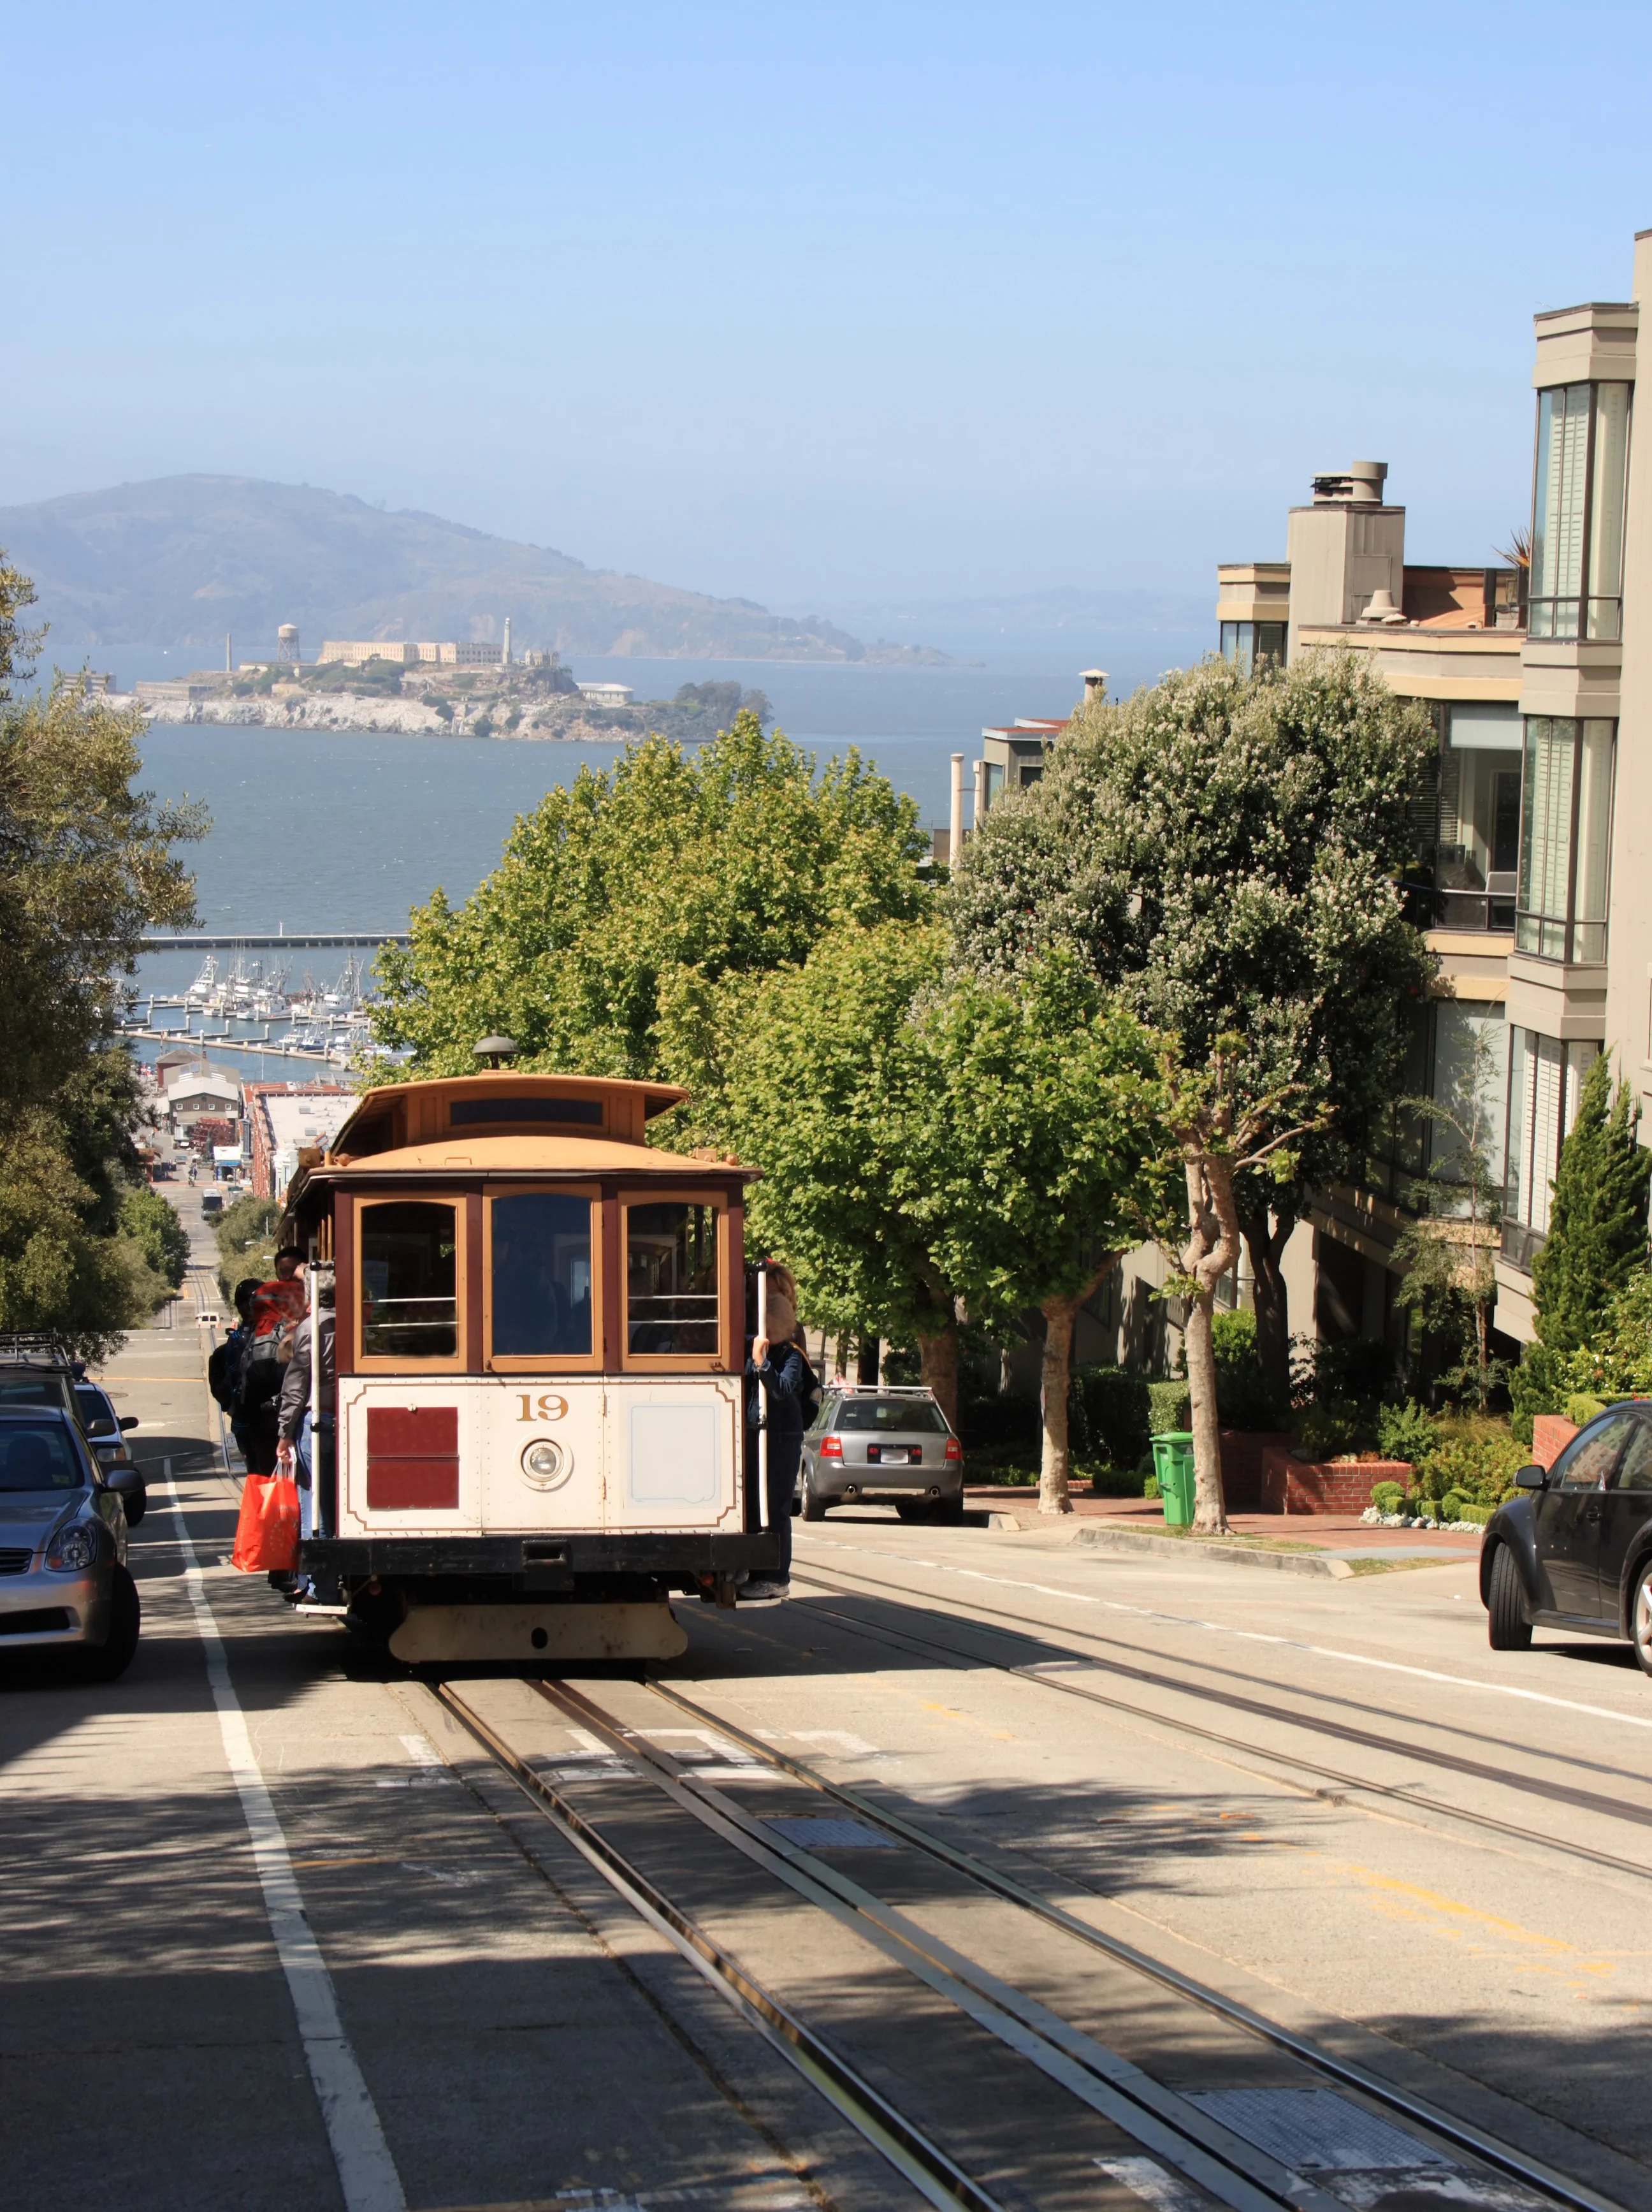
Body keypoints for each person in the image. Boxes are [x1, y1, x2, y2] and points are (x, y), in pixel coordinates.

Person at [743, 1268, 811, 1601]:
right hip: (758, 1429)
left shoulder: (791, 1351)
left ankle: (777, 1576)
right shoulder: (755, 1341)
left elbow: (783, 1389)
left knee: (777, 1506)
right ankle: (755, 1570)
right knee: (755, 1504)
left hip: (782, 1433)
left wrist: (761, 1362)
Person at [277, 1270, 335, 1599]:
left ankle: (319, 1586)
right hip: (346, 1419)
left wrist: (285, 1433)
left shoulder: (310, 1328)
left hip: (316, 1420)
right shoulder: (354, 1324)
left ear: (312, 1296)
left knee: (314, 1501)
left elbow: (297, 1385)